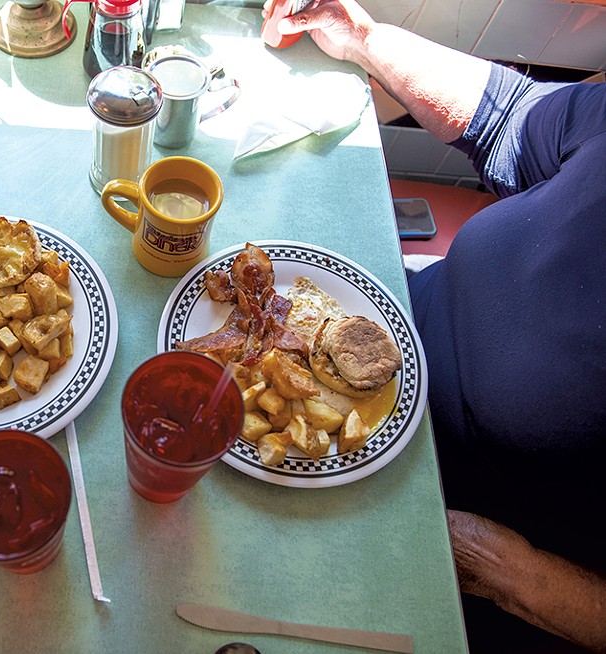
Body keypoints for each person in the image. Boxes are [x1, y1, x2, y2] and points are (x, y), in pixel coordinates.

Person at [267, 1, 606, 651]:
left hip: (459, 532)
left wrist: (520, 579)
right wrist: (363, 38)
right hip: (368, 345)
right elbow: (509, 117)